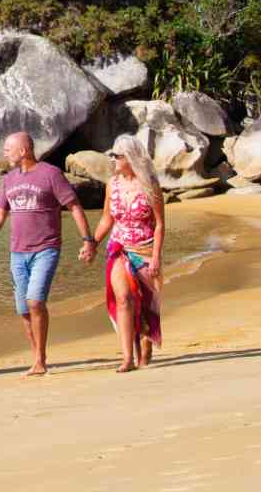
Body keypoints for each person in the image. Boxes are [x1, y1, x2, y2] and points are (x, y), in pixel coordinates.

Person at [0, 131, 96, 376]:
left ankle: (40, 360)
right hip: (17, 253)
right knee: (24, 309)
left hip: (46, 249)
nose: (5, 152)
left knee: (35, 301)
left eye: (9, 148)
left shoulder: (51, 174)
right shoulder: (8, 180)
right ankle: (38, 357)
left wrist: (88, 240)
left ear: (23, 151)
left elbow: (74, 207)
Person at [95, 134, 166, 372]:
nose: (114, 159)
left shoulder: (150, 185)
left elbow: (159, 224)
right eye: (113, 155)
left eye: (118, 155)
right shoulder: (112, 184)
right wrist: (92, 242)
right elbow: (107, 218)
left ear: (131, 158)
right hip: (119, 248)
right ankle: (127, 357)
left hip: (145, 249)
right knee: (124, 299)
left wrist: (156, 256)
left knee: (145, 305)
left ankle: (145, 341)